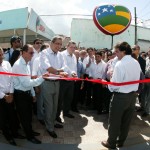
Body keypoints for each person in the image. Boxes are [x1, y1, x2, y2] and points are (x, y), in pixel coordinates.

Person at [101, 42, 141, 149]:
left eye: (117, 51)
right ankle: (121, 141)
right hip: (132, 97)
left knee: (114, 121)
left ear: (123, 52)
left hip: (120, 97)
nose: (115, 54)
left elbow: (114, 85)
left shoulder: (120, 64)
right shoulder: (135, 62)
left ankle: (111, 142)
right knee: (126, 122)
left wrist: (106, 85)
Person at [12, 44, 48, 144]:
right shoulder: (19, 65)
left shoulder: (27, 63)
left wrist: (32, 94)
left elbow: (29, 81)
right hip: (20, 95)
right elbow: (27, 83)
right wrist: (42, 78)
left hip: (26, 93)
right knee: (25, 117)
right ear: (23, 53)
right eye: (31, 52)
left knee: (29, 115)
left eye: (33, 53)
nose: (33, 54)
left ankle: (30, 131)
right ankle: (29, 136)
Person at [39, 36, 68, 138]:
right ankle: (49, 128)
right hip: (47, 83)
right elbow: (48, 68)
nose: (59, 46)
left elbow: (64, 66)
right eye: (57, 43)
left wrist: (61, 71)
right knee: (49, 107)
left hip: (57, 83)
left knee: (55, 107)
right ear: (51, 43)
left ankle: (52, 122)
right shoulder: (44, 53)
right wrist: (60, 71)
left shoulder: (60, 55)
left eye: (60, 44)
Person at [0, 47, 25, 146]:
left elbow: (11, 79)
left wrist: (11, 94)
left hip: (9, 95)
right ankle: (8, 136)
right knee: (2, 119)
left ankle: (15, 134)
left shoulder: (7, 63)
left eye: (1, 54)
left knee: (12, 117)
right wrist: (4, 96)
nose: (1, 57)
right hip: (1, 97)